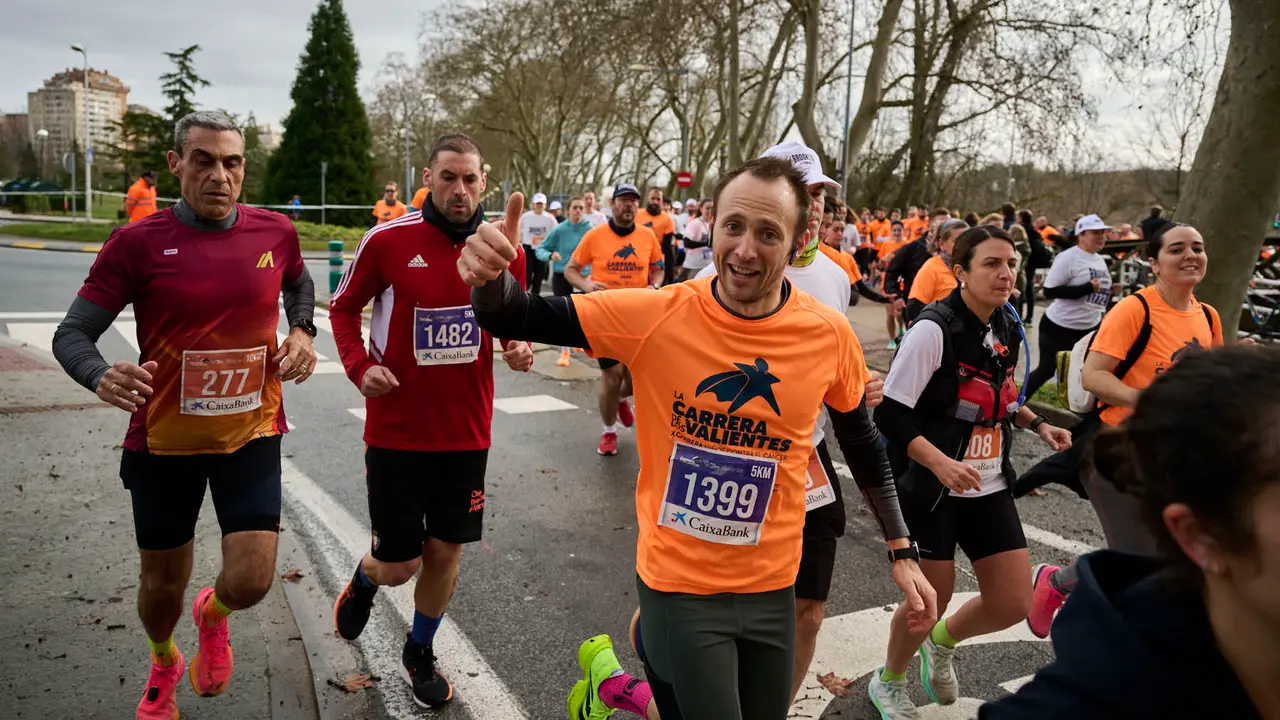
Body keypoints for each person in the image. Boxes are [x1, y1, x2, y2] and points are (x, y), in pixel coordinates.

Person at [458, 156, 935, 720]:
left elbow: (862, 443)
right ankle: (633, 673)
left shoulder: (828, 334)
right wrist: (489, 282)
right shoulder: (659, 314)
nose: (745, 249)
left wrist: (902, 549)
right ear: (712, 226)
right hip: (680, 584)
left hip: (771, 587)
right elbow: (523, 315)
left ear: (799, 240)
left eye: (767, 233)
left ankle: (612, 687)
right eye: (733, 226)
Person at [50, 110, 318, 720]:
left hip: (250, 432)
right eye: (204, 160)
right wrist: (100, 373)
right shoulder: (137, 243)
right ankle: (165, 656)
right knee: (161, 591)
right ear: (176, 165)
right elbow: (73, 335)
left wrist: (302, 330)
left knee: (249, 581)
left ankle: (213, 615)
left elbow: (299, 287)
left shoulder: (275, 232)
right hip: (164, 442)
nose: (220, 175)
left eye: (232, 162)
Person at [328, 133, 534, 709]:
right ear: (429, 176)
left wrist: (516, 344)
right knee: (401, 564)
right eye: (449, 177)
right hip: (397, 431)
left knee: (446, 552)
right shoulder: (387, 241)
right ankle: (367, 579)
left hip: (466, 432)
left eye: (470, 178)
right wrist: (359, 366)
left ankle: (419, 650)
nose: (460, 189)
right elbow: (342, 309)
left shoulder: (500, 246)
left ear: (483, 181)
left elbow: (509, 315)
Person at [687, 142, 893, 704]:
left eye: (823, 193)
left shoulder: (836, 275)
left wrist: (859, 386)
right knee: (703, 607)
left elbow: (834, 366)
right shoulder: (721, 271)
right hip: (732, 453)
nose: (818, 204)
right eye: (806, 194)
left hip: (808, 456)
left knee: (809, 608)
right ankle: (632, 677)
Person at [981, 345, 1280, 720]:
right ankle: (1058, 582)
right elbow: (1093, 377)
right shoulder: (1070, 708)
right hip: (1134, 463)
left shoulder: (1207, 315)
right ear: (1204, 536)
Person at [866, 225, 1072, 720]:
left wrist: (1038, 423)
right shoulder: (933, 330)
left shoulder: (1004, 322)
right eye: (992, 265)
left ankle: (942, 643)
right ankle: (889, 679)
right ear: (959, 272)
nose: (1006, 275)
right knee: (924, 603)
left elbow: (996, 397)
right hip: (931, 488)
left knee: (1012, 601)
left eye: (1012, 266)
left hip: (989, 483)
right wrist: (940, 462)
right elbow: (890, 414)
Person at [1021, 222, 1226, 639]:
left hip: (1173, 455)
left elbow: (1212, 383)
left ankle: (1062, 585)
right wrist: (1151, 401)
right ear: (1153, 263)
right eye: (1177, 249)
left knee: (1179, 551)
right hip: (1117, 450)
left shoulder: (1207, 315)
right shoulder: (1137, 309)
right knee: (1139, 554)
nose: (1190, 255)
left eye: (1198, 247)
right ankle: (1078, 609)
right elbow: (1096, 377)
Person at [564, 183, 664, 455]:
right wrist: (585, 286)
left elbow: (658, 269)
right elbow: (570, 270)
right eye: (623, 200)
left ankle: (622, 399)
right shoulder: (595, 236)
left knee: (633, 379)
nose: (629, 205)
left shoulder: (647, 236)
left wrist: (654, 286)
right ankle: (609, 431)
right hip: (605, 315)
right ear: (613, 205)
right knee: (611, 375)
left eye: (633, 201)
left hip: (640, 315)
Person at [1022, 214, 1113, 400]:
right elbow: (1049, 291)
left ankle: (1081, 412)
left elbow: (1096, 291)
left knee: (1088, 373)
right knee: (1047, 370)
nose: (1101, 236)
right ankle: (1014, 406)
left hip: (1089, 327)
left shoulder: (1099, 259)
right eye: (1095, 232)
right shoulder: (1068, 257)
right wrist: (1087, 288)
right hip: (1059, 327)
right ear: (1081, 235)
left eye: (1103, 232)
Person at [538, 197, 594, 366]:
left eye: (581, 208)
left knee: (584, 314)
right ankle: (564, 351)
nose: (578, 211)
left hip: (584, 276)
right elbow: (541, 248)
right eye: (575, 207)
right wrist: (550, 255)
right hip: (562, 274)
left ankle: (578, 340)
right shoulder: (559, 230)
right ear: (568, 210)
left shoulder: (591, 230)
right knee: (564, 314)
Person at [905, 218, 968, 322]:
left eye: (967, 240)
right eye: (957, 241)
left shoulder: (973, 267)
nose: (964, 245)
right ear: (942, 244)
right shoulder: (931, 268)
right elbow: (913, 310)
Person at [520, 192, 558, 295]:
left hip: (542, 249)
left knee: (539, 276)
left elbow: (556, 233)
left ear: (545, 205)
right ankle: (524, 294)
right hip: (528, 249)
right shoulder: (525, 217)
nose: (539, 206)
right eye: (537, 204)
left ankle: (535, 296)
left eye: (541, 204)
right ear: (533, 204)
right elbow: (518, 231)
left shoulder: (550, 218)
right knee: (527, 275)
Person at [637, 187, 677, 286]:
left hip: (657, 260)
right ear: (647, 198)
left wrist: (669, 270)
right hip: (637, 257)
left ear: (662, 201)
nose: (655, 201)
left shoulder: (667, 219)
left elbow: (667, 247)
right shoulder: (637, 214)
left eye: (658, 199)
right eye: (653, 198)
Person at [680, 198, 714, 281]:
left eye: (712, 208)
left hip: (707, 265)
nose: (710, 211)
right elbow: (687, 243)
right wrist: (707, 243)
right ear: (701, 208)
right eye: (707, 208)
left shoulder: (713, 223)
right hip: (693, 266)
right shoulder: (695, 223)